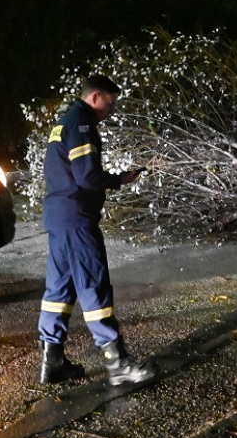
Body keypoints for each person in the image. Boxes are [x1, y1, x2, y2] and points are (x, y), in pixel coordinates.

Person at [38, 74, 157, 386]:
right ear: (96, 97)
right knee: (94, 286)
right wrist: (118, 179)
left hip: (59, 218)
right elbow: (87, 178)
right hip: (77, 219)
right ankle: (117, 362)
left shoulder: (64, 122)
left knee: (59, 292)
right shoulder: (81, 124)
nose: (111, 110)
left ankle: (52, 361)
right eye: (110, 102)